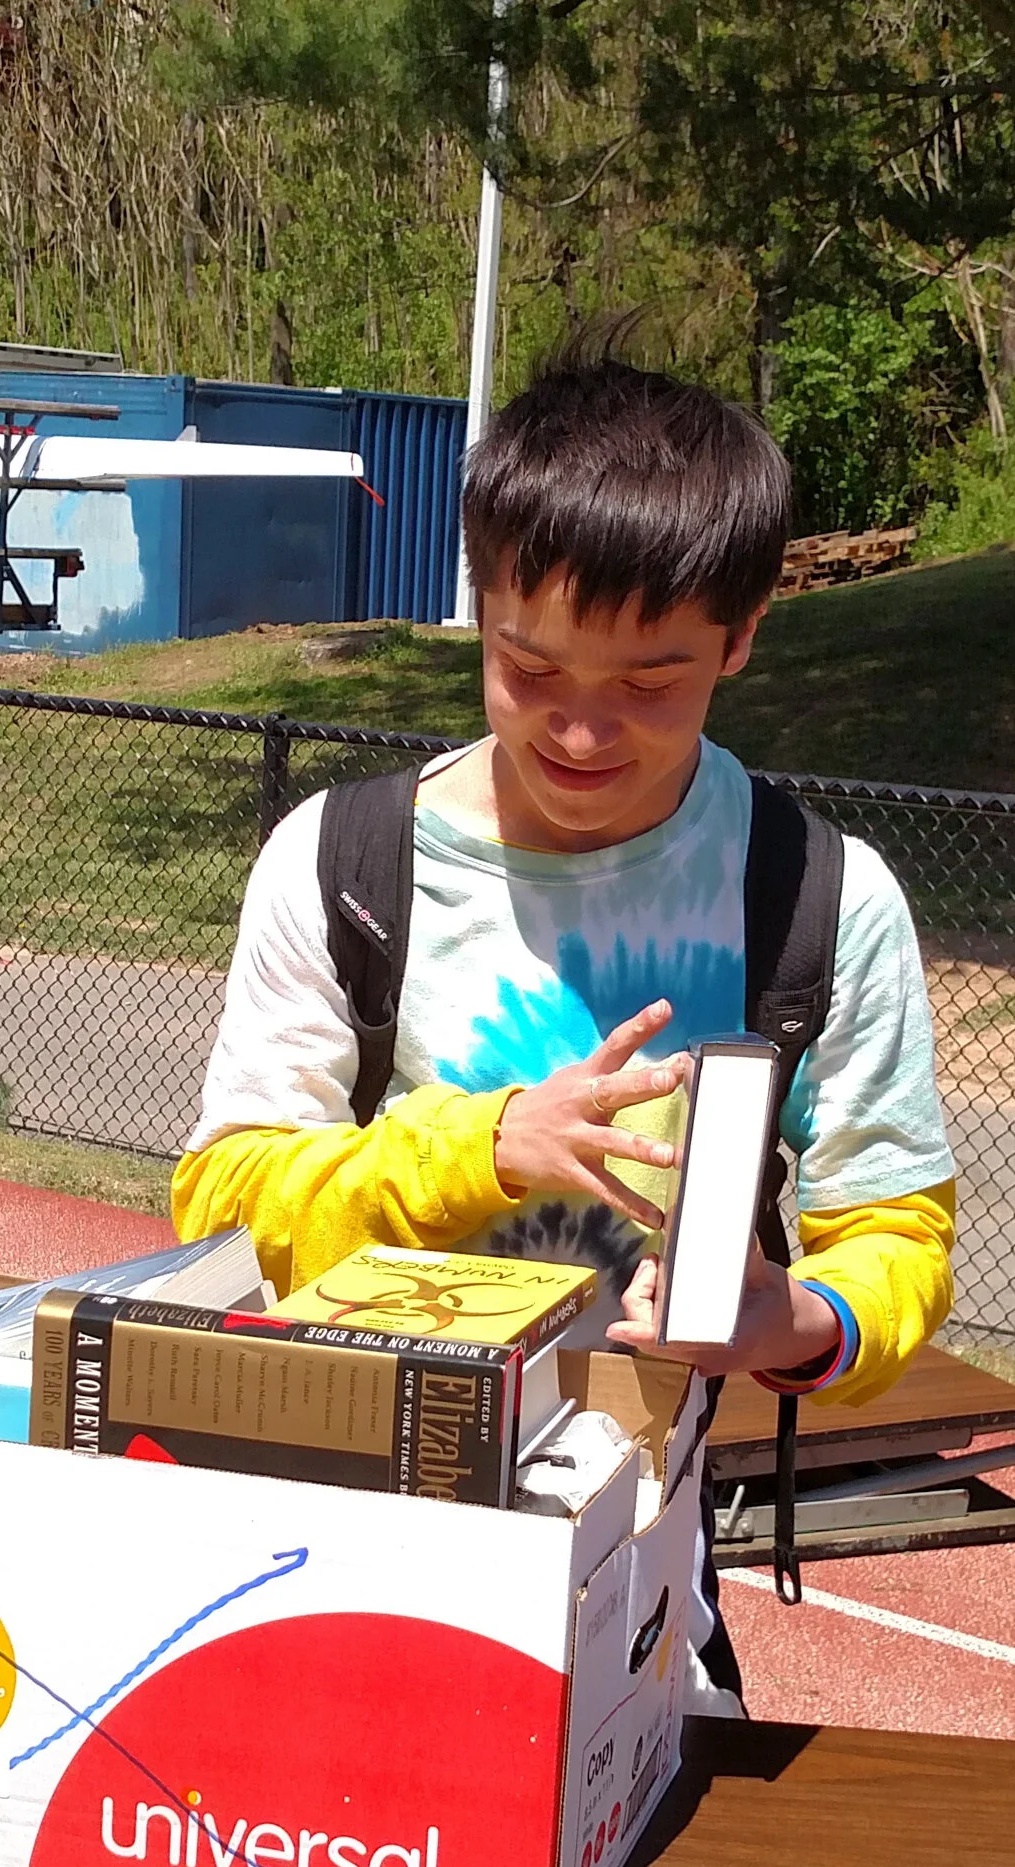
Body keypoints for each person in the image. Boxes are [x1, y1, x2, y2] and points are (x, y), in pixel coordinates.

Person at [172, 346, 954, 1706]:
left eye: (651, 683)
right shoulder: (346, 864)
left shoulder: (821, 898)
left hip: (635, 1584)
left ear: (745, 635)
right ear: (478, 604)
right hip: (335, 1549)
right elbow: (220, 1209)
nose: (584, 731)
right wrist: (483, 1148)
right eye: (530, 666)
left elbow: (893, 1236)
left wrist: (795, 1320)